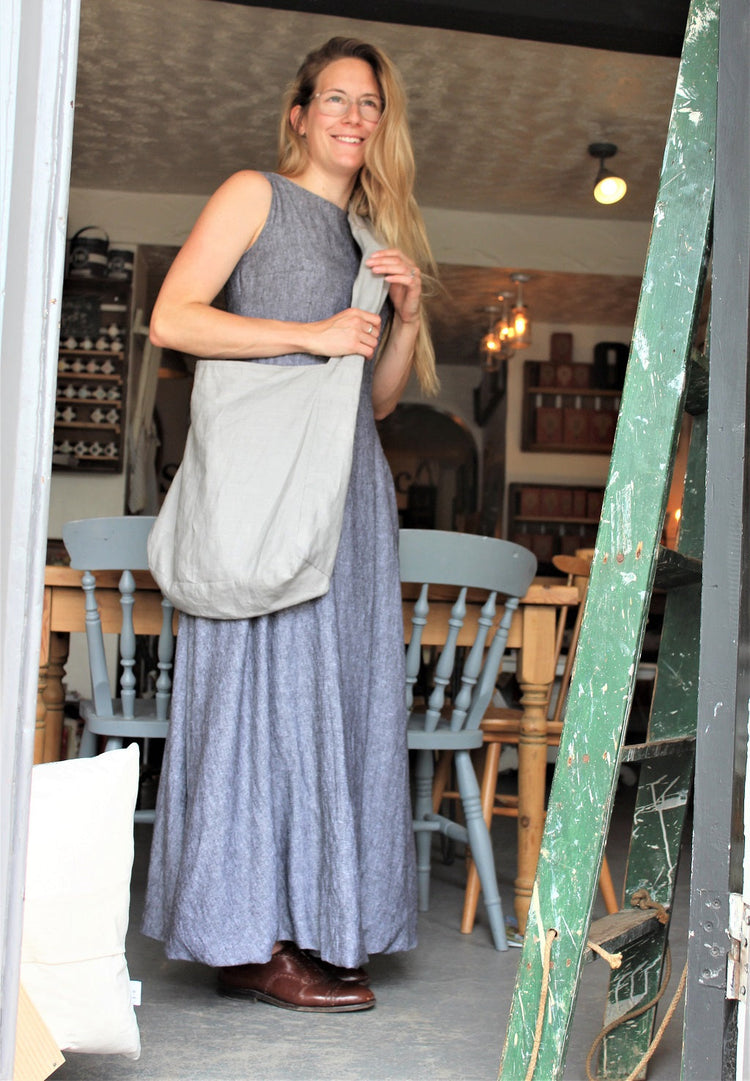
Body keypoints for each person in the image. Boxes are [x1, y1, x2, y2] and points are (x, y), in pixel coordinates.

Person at [141, 36, 438, 1013]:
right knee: (258, 695)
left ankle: (319, 923)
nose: (355, 117)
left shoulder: (370, 235)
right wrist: (311, 335)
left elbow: (377, 402)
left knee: (331, 702)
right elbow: (173, 319)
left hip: (349, 497)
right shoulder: (254, 195)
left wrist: (406, 314)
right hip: (267, 488)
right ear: (301, 114)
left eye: (371, 103)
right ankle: (246, 940)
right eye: (337, 99)